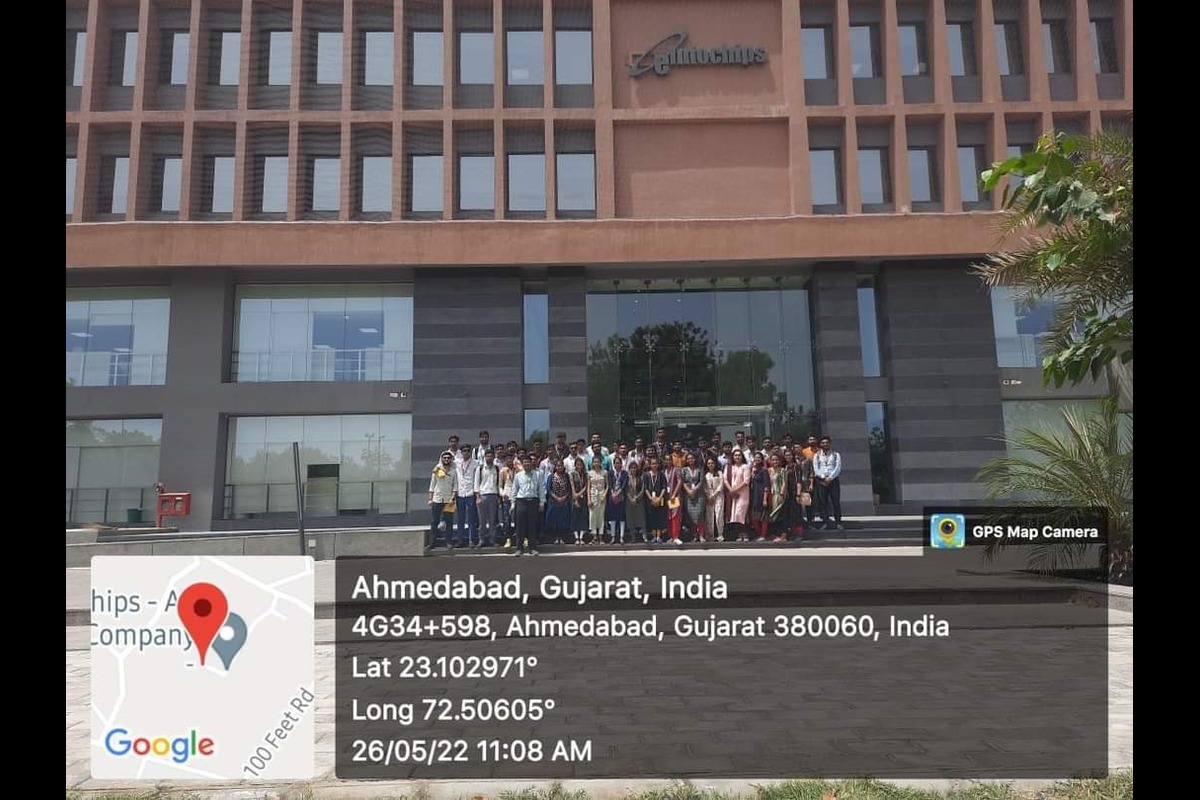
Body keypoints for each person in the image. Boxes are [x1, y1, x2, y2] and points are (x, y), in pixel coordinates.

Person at [508, 454, 544, 555]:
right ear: (522, 464)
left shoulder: (538, 474)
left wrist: (542, 502)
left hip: (533, 501)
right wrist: (513, 504)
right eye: (525, 462)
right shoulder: (518, 475)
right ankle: (519, 548)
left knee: (532, 525)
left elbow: (541, 488)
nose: (527, 464)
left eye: (528, 462)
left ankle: (532, 548)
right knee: (520, 526)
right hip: (521, 501)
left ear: (531, 463)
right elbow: (514, 490)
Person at [426, 451, 457, 549]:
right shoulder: (436, 470)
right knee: (434, 521)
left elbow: (455, 486)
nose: (446, 459)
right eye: (445, 458)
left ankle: (449, 542)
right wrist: (430, 499)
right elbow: (432, 485)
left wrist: (453, 498)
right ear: (442, 459)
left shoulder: (453, 471)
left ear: (451, 460)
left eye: (448, 458)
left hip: (449, 500)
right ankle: (432, 543)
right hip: (437, 499)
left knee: (449, 522)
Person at [812, 436, 844, 530]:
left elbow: (838, 468)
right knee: (823, 502)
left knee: (835, 501)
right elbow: (816, 469)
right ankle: (825, 522)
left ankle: (838, 522)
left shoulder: (836, 455)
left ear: (830, 444)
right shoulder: (817, 455)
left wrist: (830, 478)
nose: (825, 444)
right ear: (820, 444)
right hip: (821, 480)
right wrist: (823, 477)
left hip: (833, 480)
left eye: (827, 443)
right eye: (823, 443)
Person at [475, 449, 502, 547]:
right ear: (484, 457)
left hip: (494, 496)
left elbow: (499, 484)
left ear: (494, 457)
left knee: (492, 520)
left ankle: (492, 539)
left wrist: (499, 497)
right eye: (487, 456)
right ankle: (481, 540)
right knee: (482, 521)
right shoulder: (480, 468)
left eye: (491, 456)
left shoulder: (497, 468)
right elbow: (476, 484)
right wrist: (478, 497)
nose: (489, 458)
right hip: (483, 496)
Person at [454, 444, 479, 547]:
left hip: (470, 493)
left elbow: (477, 478)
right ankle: (460, 540)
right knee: (460, 519)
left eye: (468, 450)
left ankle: (471, 540)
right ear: (461, 452)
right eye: (464, 451)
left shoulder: (476, 463)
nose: (466, 452)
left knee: (471, 519)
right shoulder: (456, 462)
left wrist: (476, 493)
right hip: (460, 493)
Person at [544, 460, 572, 545]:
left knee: (562, 520)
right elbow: (548, 489)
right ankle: (555, 538)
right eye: (558, 466)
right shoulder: (551, 476)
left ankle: (562, 537)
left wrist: (564, 497)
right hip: (553, 501)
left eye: (561, 466)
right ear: (555, 467)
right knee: (554, 520)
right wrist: (556, 498)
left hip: (564, 501)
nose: (560, 467)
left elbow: (569, 488)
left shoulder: (566, 476)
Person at [724, 449, 750, 542]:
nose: (737, 457)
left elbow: (746, 481)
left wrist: (735, 490)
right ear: (733, 457)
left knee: (741, 513)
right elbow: (725, 480)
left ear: (742, 457)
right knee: (734, 515)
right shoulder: (729, 467)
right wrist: (731, 490)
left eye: (739, 455)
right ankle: (739, 534)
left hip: (743, 494)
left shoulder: (745, 467)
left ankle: (745, 533)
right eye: (735, 455)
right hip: (732, 494)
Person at [681, 452, 706, 542]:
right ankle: (694, 535)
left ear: (695, 459)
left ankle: (701, 535)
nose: (690, 460)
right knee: (691, 515)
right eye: (688, 459)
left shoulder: (700, 469)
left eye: (692, 458)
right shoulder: (684, 470)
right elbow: (682, 482)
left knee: (700, 515)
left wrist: (694, 490)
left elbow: (701, 481)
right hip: (688, 495)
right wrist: (688, 490)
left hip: (699, 494)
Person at [644, 457, 668, 544]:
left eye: (655, 463)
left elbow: (664, 487)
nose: (654, 465)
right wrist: (651, 498)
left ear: (658, 465)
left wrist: (659, 498)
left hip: (660, 499)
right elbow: (645, 488)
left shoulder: (661, 475)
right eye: (652, 463)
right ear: (650, 465)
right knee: (652, 518)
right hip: (650, 500)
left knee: (659, 517)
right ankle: (654, 536)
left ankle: (659, 536)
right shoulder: (646, 475)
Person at [767, 452, 790, 542]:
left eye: (776, 460)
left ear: (780, 461)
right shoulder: (768, 471)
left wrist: (781, 494)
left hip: (780, 495)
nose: (775, 461)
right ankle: (775, 535)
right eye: (773, 460)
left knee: (782, 515)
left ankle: (783, 535)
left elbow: (784, 482)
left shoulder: (783, 470)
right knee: (773, 516)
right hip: (771, 496)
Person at [606, 455, 629, 545]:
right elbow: (610, 484)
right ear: (613, 464)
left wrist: (618, 493)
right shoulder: (610, 473)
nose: (617, 465)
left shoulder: (624, 473)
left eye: (619, 463)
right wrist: (613, 494)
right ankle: (613, 537)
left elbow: (624, 485)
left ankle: (621, 537)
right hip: (612, 497)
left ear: (621, 464)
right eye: (616, 463)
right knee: (613, 517)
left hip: (621, 497)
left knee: (621, 517)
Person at [586, 455, 608, 544]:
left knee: (601, 516)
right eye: (594, 462)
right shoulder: (589, 473)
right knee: (592, 516)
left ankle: (601, 537)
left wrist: (604, 495)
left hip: (602, 495)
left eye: (598, 462)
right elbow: (588, 487)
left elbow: (607, 485)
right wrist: (589, 499)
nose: (596, 463)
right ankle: (594, 536)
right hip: (593, 495)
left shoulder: (604, 472)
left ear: (600, 463)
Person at [703, 456, 726, 542]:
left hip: (719, 496)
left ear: (715, 464)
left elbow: (721, 485)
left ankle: (720, 534)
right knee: (710, 516)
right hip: (709, 498)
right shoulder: (706, 475)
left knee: (719, 515)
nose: (710, 465)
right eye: (708, 463)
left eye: (712, 463)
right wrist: (709, 496)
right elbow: (705, 487)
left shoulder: (719, 473)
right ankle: (710, 535)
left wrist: (714, 495)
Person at [625, 459, 647, 543]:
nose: (633, 469)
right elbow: (626, 490)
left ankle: (644, 537)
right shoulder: (627, 478)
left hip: (639, 501)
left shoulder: (640, 478)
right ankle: (633, 537)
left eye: (635, 468)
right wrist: (631, 499)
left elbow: (643, 489)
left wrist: (637, 498)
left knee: (641, 519)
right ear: (629, 469)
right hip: (629, 502)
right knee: (631, 519)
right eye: (632, 468)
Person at [749, 452, 770, 542]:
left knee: (763, 516)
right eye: (755, 457)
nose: (757, 459)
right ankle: (758, 534)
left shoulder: (764, 470)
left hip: (761, 495)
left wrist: (765, 498)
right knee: (754, 517)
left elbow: (766, 485)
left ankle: (763, 535)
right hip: (754, 495)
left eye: (759, 458)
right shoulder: (753, 470)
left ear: (762, 459)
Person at [569, 458, 588, 544]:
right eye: (578, 464)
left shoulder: (585, 474)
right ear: (575, 465)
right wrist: (575, 497)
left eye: (581, 464)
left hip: (583, 497)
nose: (579, 466)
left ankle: (581, 537)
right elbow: (572, 486)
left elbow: (586, 486)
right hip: (574, 497)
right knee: (575, 517)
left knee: (583, 517)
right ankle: (576, 538)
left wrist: (580, 493)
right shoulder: (572, 474)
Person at [498, 453, 515, 547]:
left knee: (518, 519)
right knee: (506, 519)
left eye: (511, 458)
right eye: (507, 459)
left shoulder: (518, 470)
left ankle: (521, 537)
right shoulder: (503, 471)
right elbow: (500, 486)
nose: (509, 460)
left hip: (517, 498)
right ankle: (508, 539)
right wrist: (502, 494)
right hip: (506, 498)